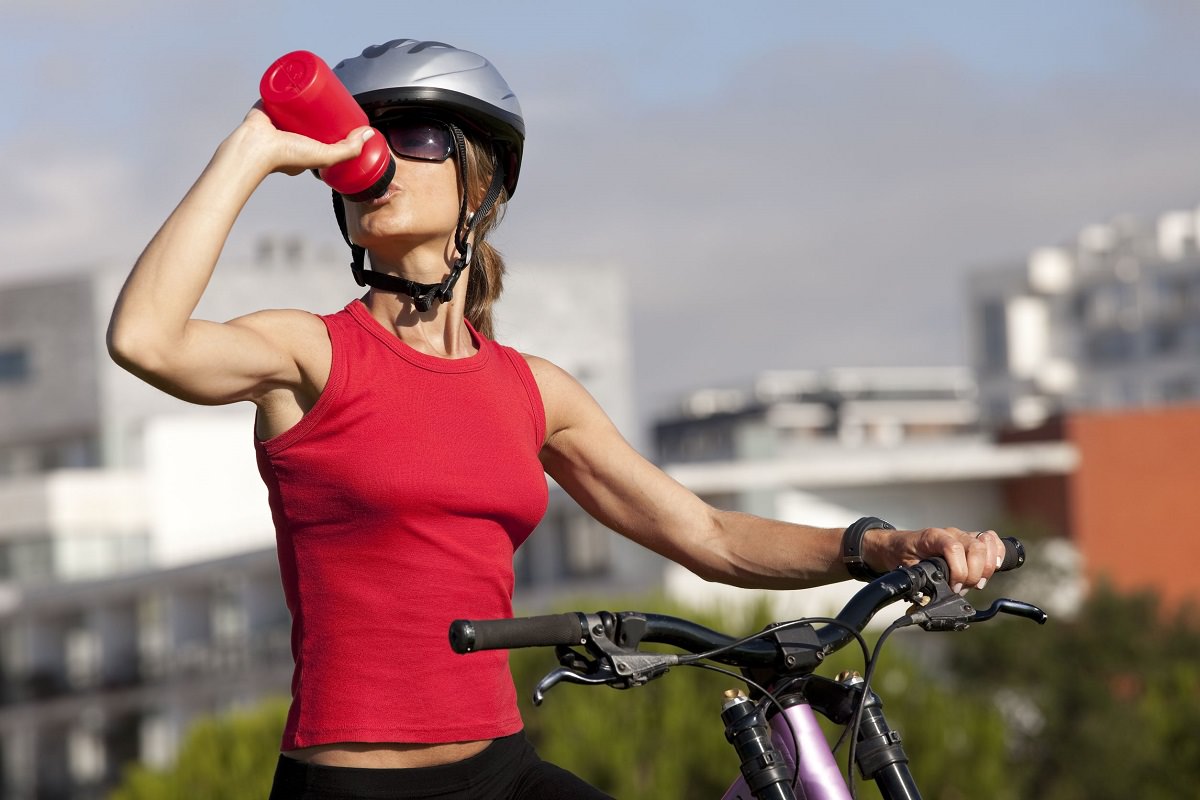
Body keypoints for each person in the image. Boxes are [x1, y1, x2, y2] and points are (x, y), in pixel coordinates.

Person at [107, 38, 1005, 800]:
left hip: (500, 773)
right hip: (352, 781)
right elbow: (146, 339)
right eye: (367, 137)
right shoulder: (309, 355)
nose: (377, 154)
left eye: (414, 136)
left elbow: (709, 534)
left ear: (479, 183)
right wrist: (256, 148)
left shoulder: (534, 392)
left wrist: (883, 546)